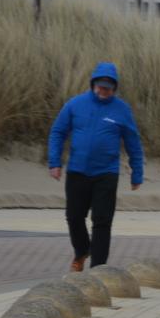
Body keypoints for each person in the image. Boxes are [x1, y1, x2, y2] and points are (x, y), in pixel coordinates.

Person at [47, 62, 144, 272]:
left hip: (106, 173)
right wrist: (55, 162)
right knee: (74, 217)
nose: (103, 91)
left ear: (114, 88)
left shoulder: (121, 110)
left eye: (108, 88)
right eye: (100, 86)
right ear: (93, 84)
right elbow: (57, 132)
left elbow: (133, 143)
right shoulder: (75, 104)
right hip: (77, 171)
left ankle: (98, 268)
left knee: (102, 221)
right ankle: (82, 251)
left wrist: (137, 172)